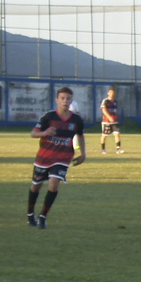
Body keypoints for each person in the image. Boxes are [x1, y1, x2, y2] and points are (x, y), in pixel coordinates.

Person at [28, 87, 86, 229]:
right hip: (44, 157)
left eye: (68, 98)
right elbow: (33, 133)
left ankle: (42, 216)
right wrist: (45, 132)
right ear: (57, 100)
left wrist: (83, 154)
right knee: (36, 186)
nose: (65, 101)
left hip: (63, 157)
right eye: (63, 98)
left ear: (72, 100)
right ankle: (30, 213)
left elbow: (80, 136)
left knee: (54, 184)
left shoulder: (76, 119)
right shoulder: (48, 117)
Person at [100, 87, 124, 154]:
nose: (111, 94)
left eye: (113, 92)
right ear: (108, 93)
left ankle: (118, 148)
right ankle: (103, 149)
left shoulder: (115, 101)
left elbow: (115, 110)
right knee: (104, 135)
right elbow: (103, 110)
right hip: (106, 121)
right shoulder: (105, 101)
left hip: (114, 121)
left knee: (117, 133)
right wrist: (109, 117)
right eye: (110, 92)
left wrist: (116, 117)